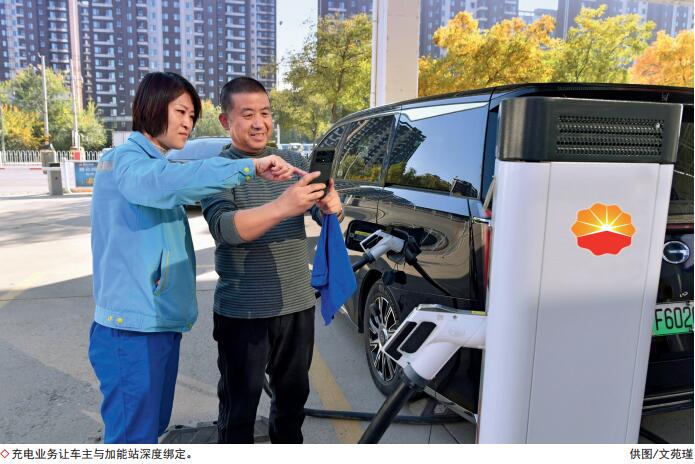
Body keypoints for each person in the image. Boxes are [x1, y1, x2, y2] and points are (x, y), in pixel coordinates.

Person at [88, 72, 298, 444]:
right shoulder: (126, 160)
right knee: (131, 441)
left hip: (156, 323)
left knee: (148, 431)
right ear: (152, 108)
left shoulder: (155, 162)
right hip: (131, 329)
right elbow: (169, 182)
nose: (187, 123)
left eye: (191, 115)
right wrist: (249, 166)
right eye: (180, 112)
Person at [200, 77, 343, 444]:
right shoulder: (216, 170)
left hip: (296, 304)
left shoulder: (291, 162)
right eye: (247, 114)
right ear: (225, 121)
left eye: (264, 113)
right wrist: (283, 205)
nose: (259, 123)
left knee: (292, 403)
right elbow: (226, 229)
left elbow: (320, 213)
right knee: (238, 408)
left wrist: (330, 205)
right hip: (242, 311)